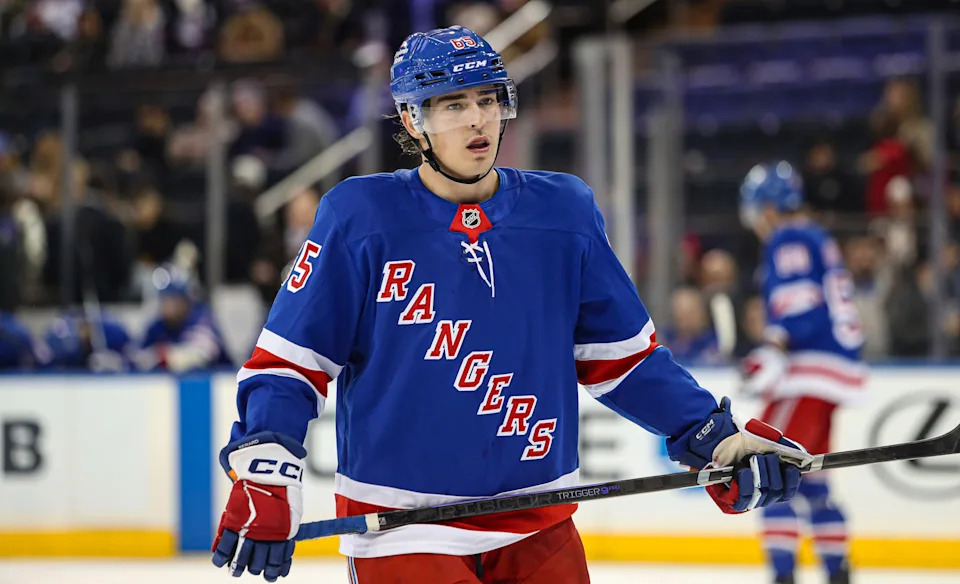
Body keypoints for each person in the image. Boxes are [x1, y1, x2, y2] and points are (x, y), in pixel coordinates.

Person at [211, 26, 809, 584]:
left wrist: (713, 434)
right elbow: (290, 364)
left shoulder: (564, 212)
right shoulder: (359, 217)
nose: (478, 119)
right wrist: (266, 465)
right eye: (453, 104)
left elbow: (625, 362)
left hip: (541, 525)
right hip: (405, 533)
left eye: (488, 99)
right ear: (411, 119)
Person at [738, 161, 867, 584]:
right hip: (829, 375)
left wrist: (773, 347)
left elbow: (800, 306)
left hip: (807, 372)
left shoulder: (790, 237)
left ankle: (783, 575)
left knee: (767, 467)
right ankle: (837, 571)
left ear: (771, 208)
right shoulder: (817, 237)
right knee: (811, 481)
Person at [136, 264, 231, 372]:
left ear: (185, 301)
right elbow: (138, 357)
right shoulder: (158, 326)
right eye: (165, 300)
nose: (168, 306)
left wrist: (162, 355)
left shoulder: (201, 319)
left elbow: (200, 354)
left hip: (220, 383)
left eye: (173, 300)